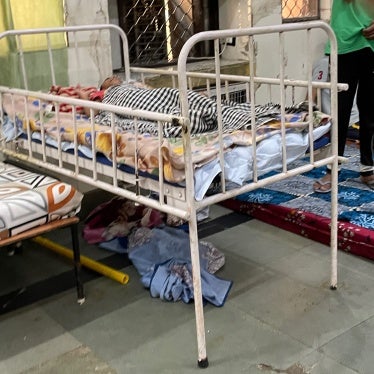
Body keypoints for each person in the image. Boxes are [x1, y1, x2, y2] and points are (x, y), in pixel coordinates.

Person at [313, 0, 374, 192]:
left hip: (371, 43)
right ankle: (333, 168)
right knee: (340, 108)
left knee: (370, 111)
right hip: (345, 40)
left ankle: (367, 167)